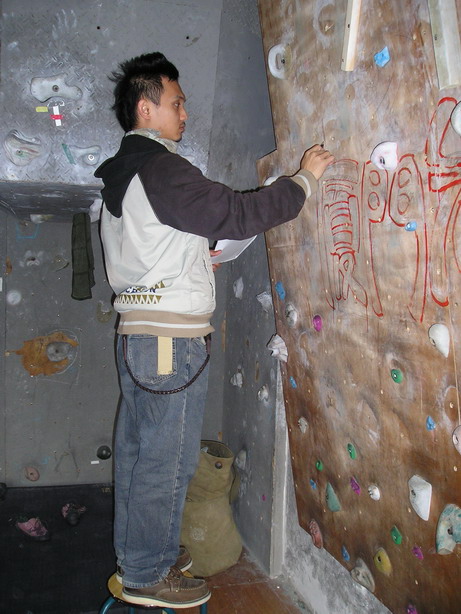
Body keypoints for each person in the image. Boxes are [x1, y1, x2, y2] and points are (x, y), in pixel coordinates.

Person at [95, 51, 334, 609]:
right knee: (167, 460)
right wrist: (304, 180)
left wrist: (196, 256)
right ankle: (147, 573)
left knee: (139, 454)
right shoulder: (160, 167)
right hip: (168, 341)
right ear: (146, 107)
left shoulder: (123, 173)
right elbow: (236, 213)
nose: (185, 113)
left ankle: (138, 558)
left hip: (140, 337)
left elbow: (153, 246)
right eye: (176, 103)